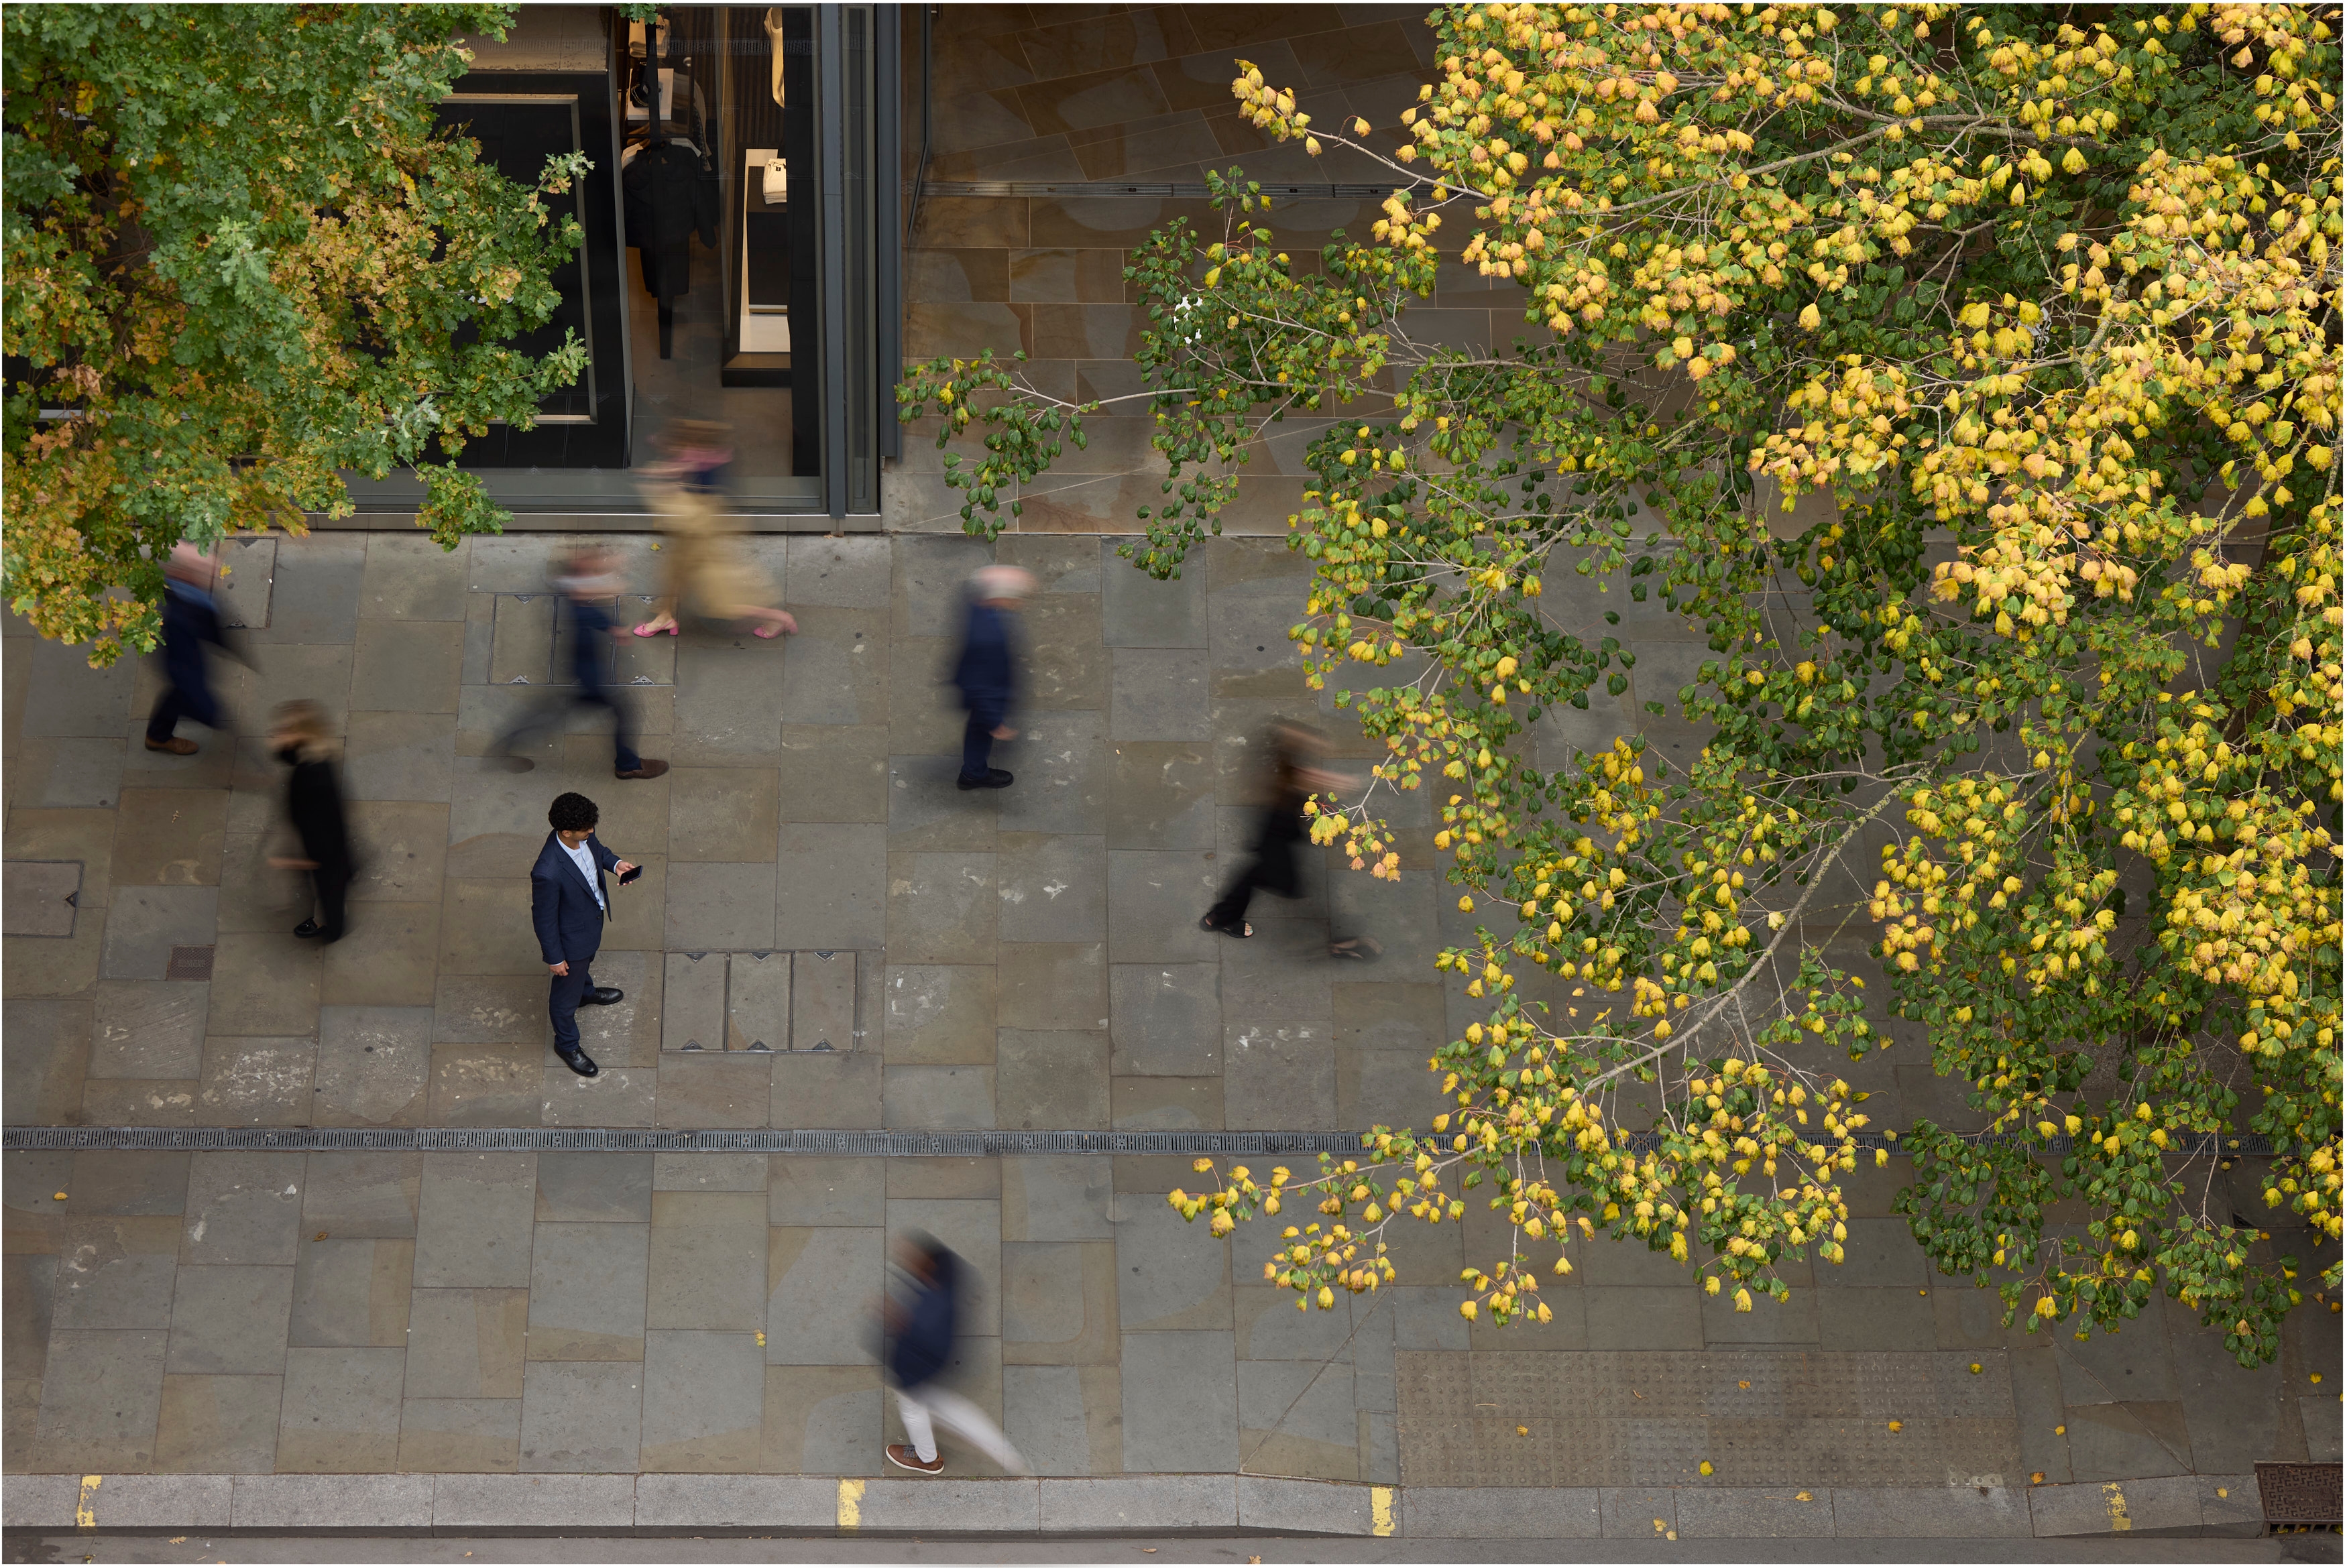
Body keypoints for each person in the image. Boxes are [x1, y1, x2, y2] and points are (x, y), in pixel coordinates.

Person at [1200, 721, 1381, 958]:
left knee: (1256, 875)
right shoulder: (1291, 780)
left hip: (1274, 837)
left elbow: (1299, 784)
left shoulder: (1283, 773)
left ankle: (1219, 917)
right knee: (1278, 882)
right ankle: (1219, 918)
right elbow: (1304, 785)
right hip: (1277, 846)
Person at [498, 544, 669, 781]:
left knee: (551, 714)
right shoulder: (574, 594)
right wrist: (614, 626)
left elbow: (591, 602)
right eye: (589, 569)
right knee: (622, 712)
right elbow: (594, 600)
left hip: (583, 674)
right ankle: (628, 765)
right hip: (589, 678)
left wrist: (612, 628)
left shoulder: (573, 593)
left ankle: (509, 743)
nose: (595, 573)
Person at [629, 422, 797, 640]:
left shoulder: (701, 462)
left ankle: (779, 617)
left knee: (719, 601)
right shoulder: (705, 458)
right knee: (673, 577)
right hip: (691, 538)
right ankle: (664, 617)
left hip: (698, 540)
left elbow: (686, 502)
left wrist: (662, 481)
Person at [881, 1233, 1028, 1477]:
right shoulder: (945, 1278)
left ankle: (928, 1459)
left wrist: (899, 1321)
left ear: (926, 1264)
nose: (905, 1260)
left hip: (916, 1372)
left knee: (916, 1410)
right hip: (933, 1366)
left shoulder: (929, 1311)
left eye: (911, 1257)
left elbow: (920, 1337)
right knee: (952, 1411)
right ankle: (1009, 1456)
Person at [530, 792, 640, 1079]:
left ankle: (585, 993)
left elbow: (599, 851)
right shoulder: (547, 872)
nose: (591, 832)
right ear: (566, 832)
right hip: (571, 939)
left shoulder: (583, 834)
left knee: (583, 968)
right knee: (563, 998)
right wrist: (555, 958)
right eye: (585, 830)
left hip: (589, 924)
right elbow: (543, 919)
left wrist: (616, 865)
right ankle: (566, 1044)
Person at [266, 700, 355, 945]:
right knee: (329, 884)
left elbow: (324, 834)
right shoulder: (311, 753)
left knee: (326, 891)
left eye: (285, 730)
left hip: (321, 852)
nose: (276, 734)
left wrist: (296, 861)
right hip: (318, 841)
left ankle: (329, 925)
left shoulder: (314, 778)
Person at [144, 542, 239, 756]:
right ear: (183, 573)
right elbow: (183, 670)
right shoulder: (176, 615)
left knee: (177, 695)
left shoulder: (190, 594)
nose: (213, 575)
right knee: (182, 694)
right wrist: (211, 713)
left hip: (189, 656)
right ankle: (158, 737)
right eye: (204, 571)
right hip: (184, 662)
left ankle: (157, 734)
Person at [950, 565, 1034, 791]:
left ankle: (973, 771)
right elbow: (981, 684)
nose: (1019, 602)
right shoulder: (989, 637)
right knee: (980, 731)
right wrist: (995, 721)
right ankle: (973, 774)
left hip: (977, 686)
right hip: (986, 696)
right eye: (1015, 597)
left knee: (977, 729)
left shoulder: (977, 608)